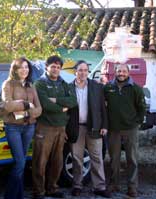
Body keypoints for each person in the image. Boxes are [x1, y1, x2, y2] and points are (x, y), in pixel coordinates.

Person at [32, 55, 77, 199]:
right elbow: (45, 105)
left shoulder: (64, 83)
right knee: (40, 162)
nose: (56, 69)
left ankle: (52, 188)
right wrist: (62, 108)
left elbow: (73, 101)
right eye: (53, 66)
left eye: (58, 67)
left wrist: (57, 100)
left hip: (60, 128)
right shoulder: (40, 84)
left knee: (57, 162)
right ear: (47, 67)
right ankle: (39, 191)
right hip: (44, 128)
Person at [67, 60, 111, 198]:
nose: (83, 73)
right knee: (77, 158)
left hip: (94, 127)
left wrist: (104, 125)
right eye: (80, 70)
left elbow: (103, 108)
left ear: (88, 72)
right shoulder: (68, 87)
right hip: (76, 128)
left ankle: (100, 187)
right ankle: (77, 185)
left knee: (96, 157)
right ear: (75, 71)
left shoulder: (96, 86)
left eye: (85, 70)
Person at [1, 57, 42, 199]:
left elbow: (39, 109)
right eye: (21, 67)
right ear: (15, 69)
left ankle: (19, 196)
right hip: (13, 128)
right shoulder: (8, 84)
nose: (25, 70)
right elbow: (7, 106)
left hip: (29, 127)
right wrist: (26, 104)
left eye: (26, 67)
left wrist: (27, 111)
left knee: (22, 163)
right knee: (19, 162)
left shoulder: (31, 85)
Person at [104, 64, 146, 198]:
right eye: (119, 71)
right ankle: (114, 184)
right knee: (114, 159)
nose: (121, 73)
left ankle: (132, 187)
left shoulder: (136, 88)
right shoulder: (108, 88)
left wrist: (136, 123)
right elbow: (103, 106)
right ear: (115, 72)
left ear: (128, 73)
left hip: (130, 129)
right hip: (113, 129)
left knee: (132, 159)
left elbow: (142, 108)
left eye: (124, 71)